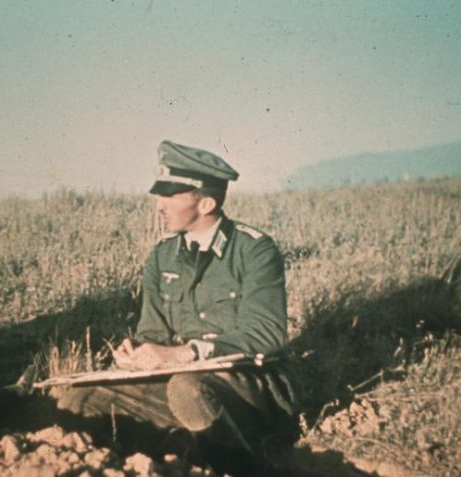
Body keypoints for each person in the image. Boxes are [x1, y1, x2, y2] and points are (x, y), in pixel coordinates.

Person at [55, 140, 297, 468]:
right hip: (178, 382)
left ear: (207, 203)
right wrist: (137, 354)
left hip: (243, 385)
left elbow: (266, 335)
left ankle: (242, 466)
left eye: (170, 195)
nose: (159, 205)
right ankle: (168, 459)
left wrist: (188, 352)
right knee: (79, 399)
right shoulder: (163, 255)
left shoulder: (254, 251)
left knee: (188, 391)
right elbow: (152, 331)